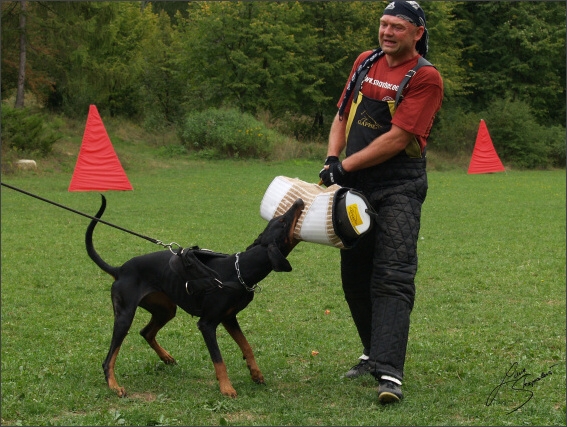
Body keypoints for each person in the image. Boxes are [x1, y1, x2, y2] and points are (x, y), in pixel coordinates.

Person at [319, 0, 443, 404]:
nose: (387, 32)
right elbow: (342, 115)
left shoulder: (425, 77)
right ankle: (372, 353)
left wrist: (344, 166)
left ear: (417, 33)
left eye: (398, 27)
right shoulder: (365, 61)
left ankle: (390, 374)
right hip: (355, 183)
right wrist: (332, 161)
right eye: (383, 24)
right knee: (354, 273)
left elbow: (398, 138)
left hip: (399, 186)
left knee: (392, 274)